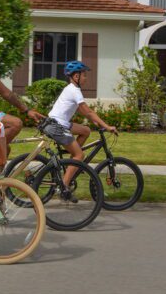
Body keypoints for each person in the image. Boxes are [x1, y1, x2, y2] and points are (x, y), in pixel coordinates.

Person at [44, 61, 118, 201]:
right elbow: (88, 112)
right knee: (79, 155)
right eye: (84, 75)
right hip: (57, 126)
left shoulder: (71, 89)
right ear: (76, 76)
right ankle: (63, 187)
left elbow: (83, 112)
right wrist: (107, 126)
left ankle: (73, 161)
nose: (86, 78)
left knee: (85, 130)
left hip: (58, 123)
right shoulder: (74, 90)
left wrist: (96, 122)